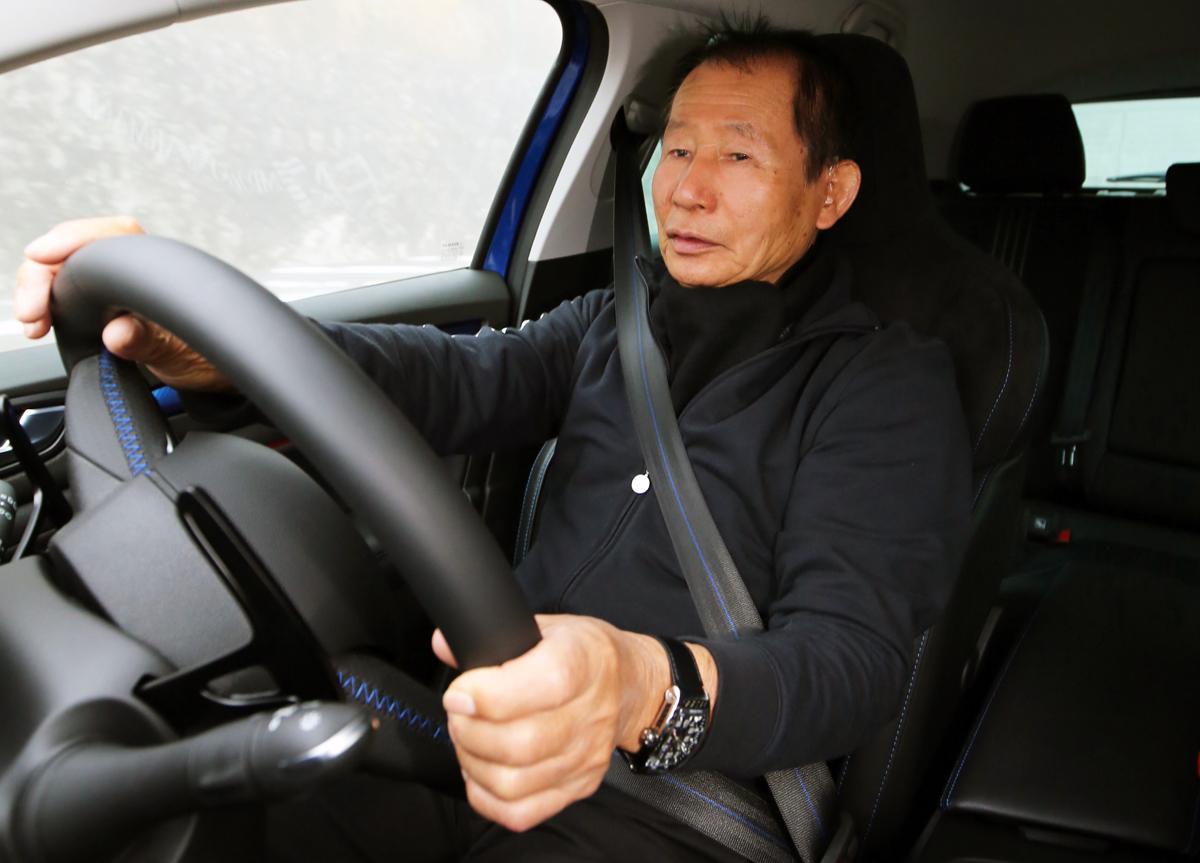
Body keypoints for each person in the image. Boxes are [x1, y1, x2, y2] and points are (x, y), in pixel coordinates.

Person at [12, 21, 970, 862]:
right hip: (464, 743)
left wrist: (638, 685)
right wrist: (219, 345)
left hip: (669, 813)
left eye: (738, 156)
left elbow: (850, 658)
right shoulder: (612, 325)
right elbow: (447, 379)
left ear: (830, 192)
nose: (686, 191)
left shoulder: (883, 383)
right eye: (677, 150)